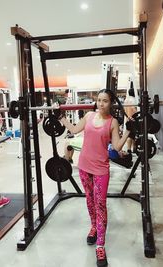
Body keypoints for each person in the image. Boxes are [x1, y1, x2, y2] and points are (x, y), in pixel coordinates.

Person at [59, 88, 131, 267]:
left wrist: (128, 132)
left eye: (105, 100)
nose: (101, 103)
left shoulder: (113, 122)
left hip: (100, 169)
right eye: (99, 100)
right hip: (84, 165)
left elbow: (115, 146)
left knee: (100, 205)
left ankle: (100, 245)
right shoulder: (89, 116)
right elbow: (75, 130)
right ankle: (93, 227)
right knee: (90, 201)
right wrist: (60, 118)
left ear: (111, 103)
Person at [124, 86, 138, 154]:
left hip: (127, 119)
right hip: (133, 119)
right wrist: (137, 114)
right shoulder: (133, 100)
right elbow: (133, 109)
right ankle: (130, 149)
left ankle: (131, 149)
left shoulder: (126, 100)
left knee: (131, 134)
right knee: (131, 135)